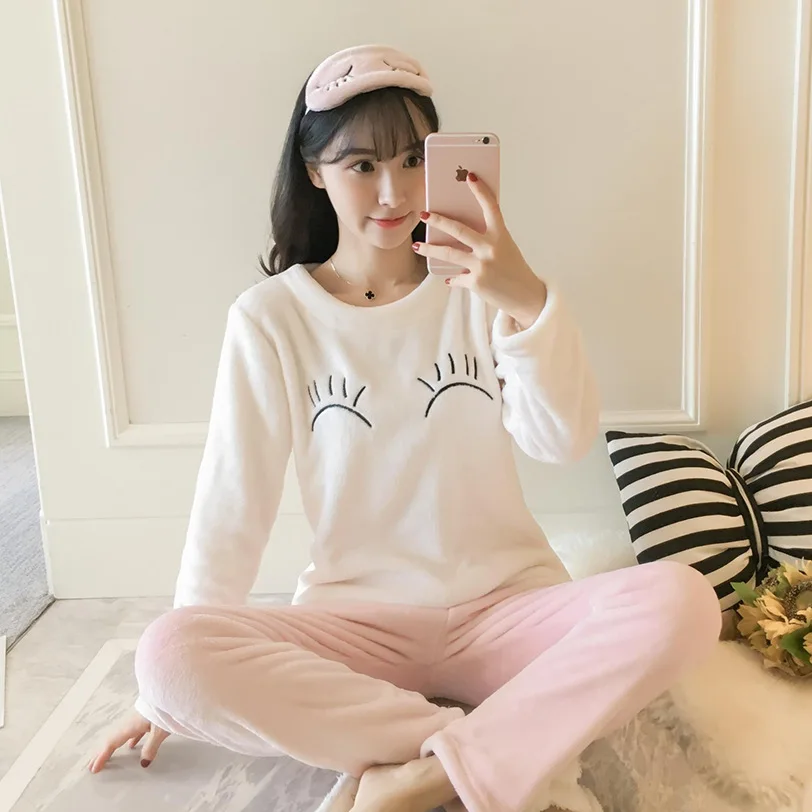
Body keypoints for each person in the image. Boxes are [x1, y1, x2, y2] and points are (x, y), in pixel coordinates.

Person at [88, 44, 722, 812]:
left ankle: (424, 771)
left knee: (685, 602)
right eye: (361, 165)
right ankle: (482, 752)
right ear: (314, 170)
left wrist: (526, 301)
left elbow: (560, 441)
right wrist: (164, 696)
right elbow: (232, 504)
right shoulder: (272, 318)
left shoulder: (481, 291)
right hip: (356, 626)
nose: (393, 192)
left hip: (506, 610)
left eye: (414, 161)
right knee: (167, 652)